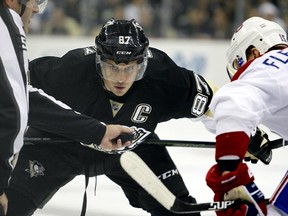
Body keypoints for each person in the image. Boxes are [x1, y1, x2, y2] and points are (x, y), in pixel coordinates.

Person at [4, 18, 217, 216]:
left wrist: (245, 135)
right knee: (8, 205)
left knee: (179, 209)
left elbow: (216, 102)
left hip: (132, 147)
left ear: (142, 64)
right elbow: (10, 87)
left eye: (130, 68)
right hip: (59, 146)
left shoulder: (164, 77)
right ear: (98, 61)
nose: (121, 78)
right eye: (111, 67)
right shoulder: (70, 70)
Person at [0, 1, 133, 215]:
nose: (36, 9)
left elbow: (24, 98)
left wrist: (98, 132)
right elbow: (13, 108)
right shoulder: (5, 26)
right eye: (35, 1)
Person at [205, 16, 288, 216]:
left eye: (237, 62)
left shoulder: (267, 64)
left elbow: (233, 101)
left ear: (253, 52)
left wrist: (229, 171)